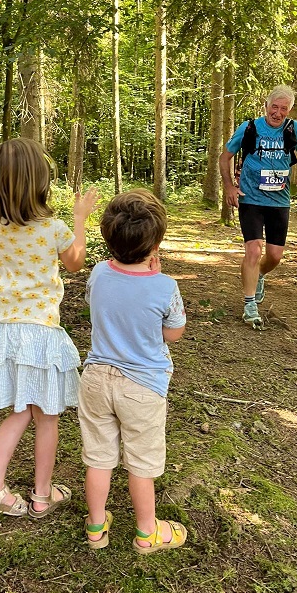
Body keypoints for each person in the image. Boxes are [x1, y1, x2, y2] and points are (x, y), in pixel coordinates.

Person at [0, 139, 98, 518]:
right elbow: (75, 262)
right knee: (45, 416)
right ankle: (36, 494)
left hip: (4, 328)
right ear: (40, 182)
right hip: (39, 332)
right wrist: (80, 218)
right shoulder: (53, 228)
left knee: (21, 411)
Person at [78, 189, 188, 554]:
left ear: (108, 238)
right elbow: (173, 333)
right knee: (141, 463)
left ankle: (96, 528)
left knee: (98, 457)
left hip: (95, 379)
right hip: (142, 386)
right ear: (155, 244)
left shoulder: (98, 273)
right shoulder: (165, 286)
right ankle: (146, 532)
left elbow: (100, 304)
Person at [219, 85, 297, 327]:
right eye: (274, 107)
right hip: (250, 199)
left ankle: (260, 274)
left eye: (284, 108)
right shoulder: (249, 128)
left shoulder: (295, 129)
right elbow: (224, 157)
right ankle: (249, 304)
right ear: (266, 106)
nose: (278, 113)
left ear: (289, 110)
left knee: (274, 256)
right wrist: (229, 187)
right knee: (253, 250)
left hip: (279, 202)